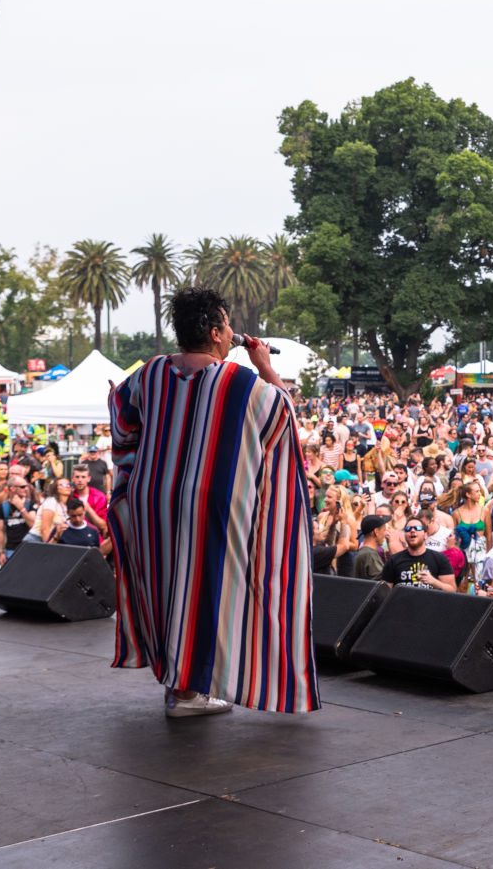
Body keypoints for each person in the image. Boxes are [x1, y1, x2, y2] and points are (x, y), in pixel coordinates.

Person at [107, 286, 319, 718]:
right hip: (213, 502)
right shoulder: (240, 383)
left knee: (168, 585)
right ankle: (188, 693)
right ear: (218, 331)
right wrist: (265, 367)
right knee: (206, 591)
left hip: (152, 498)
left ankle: (178, 682)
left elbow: (120, 411)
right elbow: (285, 418)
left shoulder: (149, 373)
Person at [381, 512, 457, 590]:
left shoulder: (440, 559)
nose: (412, 531)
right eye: (408, 529)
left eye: (418, 528)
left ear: (425, 534)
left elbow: (452, 590)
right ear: (405, 535)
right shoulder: (394, 560)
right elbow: (385, 592)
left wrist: (434, 582)